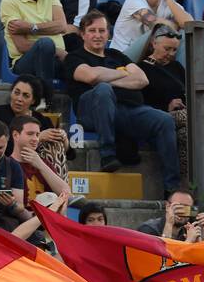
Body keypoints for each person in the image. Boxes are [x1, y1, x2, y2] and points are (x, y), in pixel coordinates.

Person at [64, 10, 179, 192]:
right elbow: (91, 77)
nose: (97, 35)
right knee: (103, 89)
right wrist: (124, 74)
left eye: (102, 31)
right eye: (92, 30)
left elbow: (142, 79)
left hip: (126, 110)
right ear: (83, 34)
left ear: (108, 33)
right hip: (92, 112)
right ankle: (107, 154)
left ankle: (172, 189)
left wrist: (105, 76)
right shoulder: (74, 57)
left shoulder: (116, 55)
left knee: (164, 120)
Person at [0, 0, 72, 83]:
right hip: (25, 63)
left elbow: (62, 26)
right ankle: (44, 98)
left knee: (79, 58)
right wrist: (57, 51)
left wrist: (31, 27)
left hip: (55, 60)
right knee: (46, 44)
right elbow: (22, 46)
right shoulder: (8, 2)